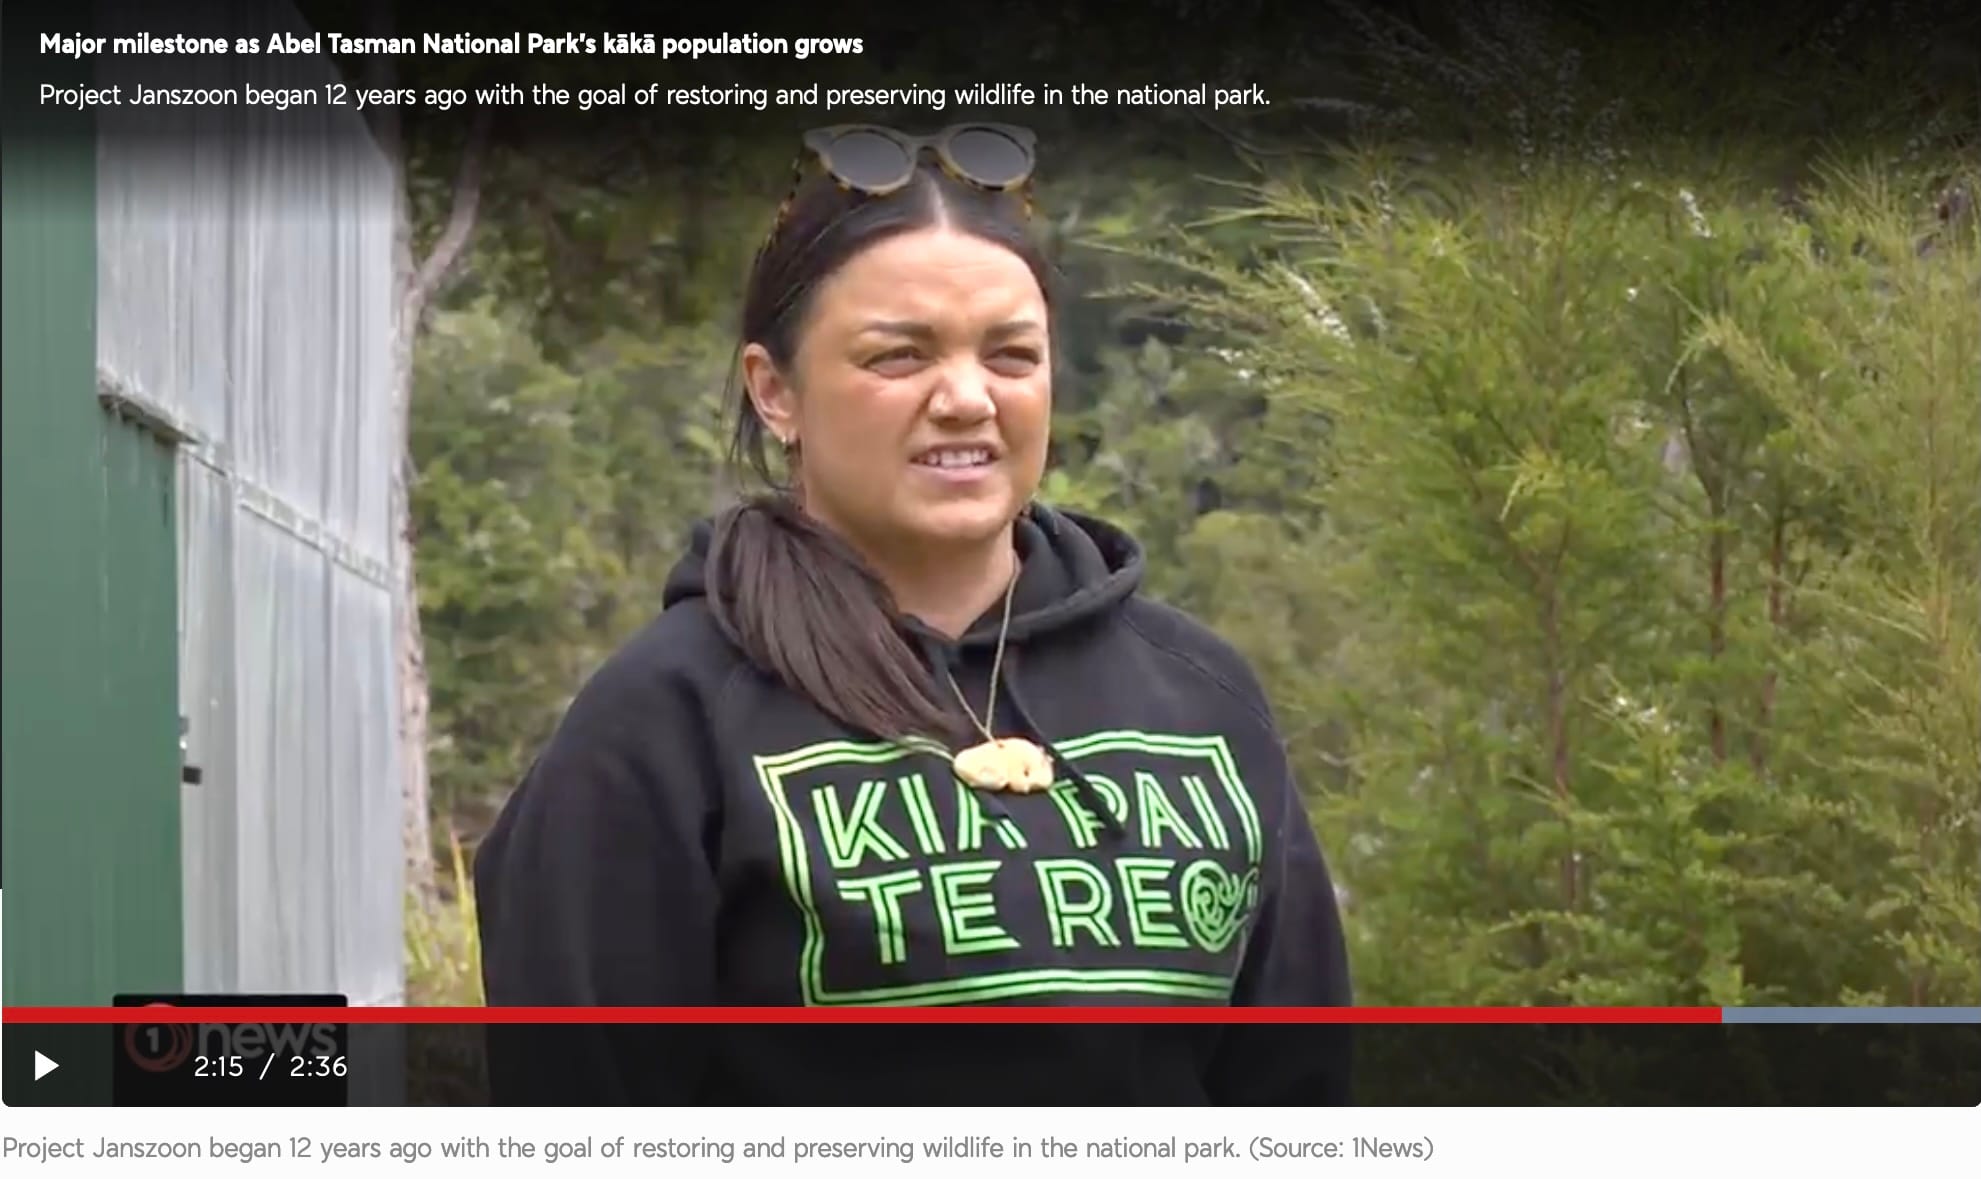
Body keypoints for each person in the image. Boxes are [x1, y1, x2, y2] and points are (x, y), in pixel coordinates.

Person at [473, 123, 1352, 1105]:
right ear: (775, 393)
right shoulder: (665, 720)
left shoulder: (1202, 698)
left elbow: (1296, 1091)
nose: (967, 399)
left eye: (1012, 356)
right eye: (899, 357)